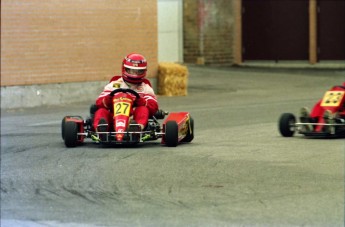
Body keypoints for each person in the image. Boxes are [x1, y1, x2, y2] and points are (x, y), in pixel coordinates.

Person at [93, 53, 158, 139]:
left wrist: (142, 102)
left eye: (139, 71)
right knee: (101, 111)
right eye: (131, 71)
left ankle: (137, 129)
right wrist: (107, 100)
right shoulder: (114, 85)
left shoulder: (145, 88)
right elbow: (99, 102)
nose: (135, 74)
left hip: (133, 119)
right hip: (113, 118)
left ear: (144, 71)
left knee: (143, 109)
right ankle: (101, 129)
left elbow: (154, 106)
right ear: (124, 69)